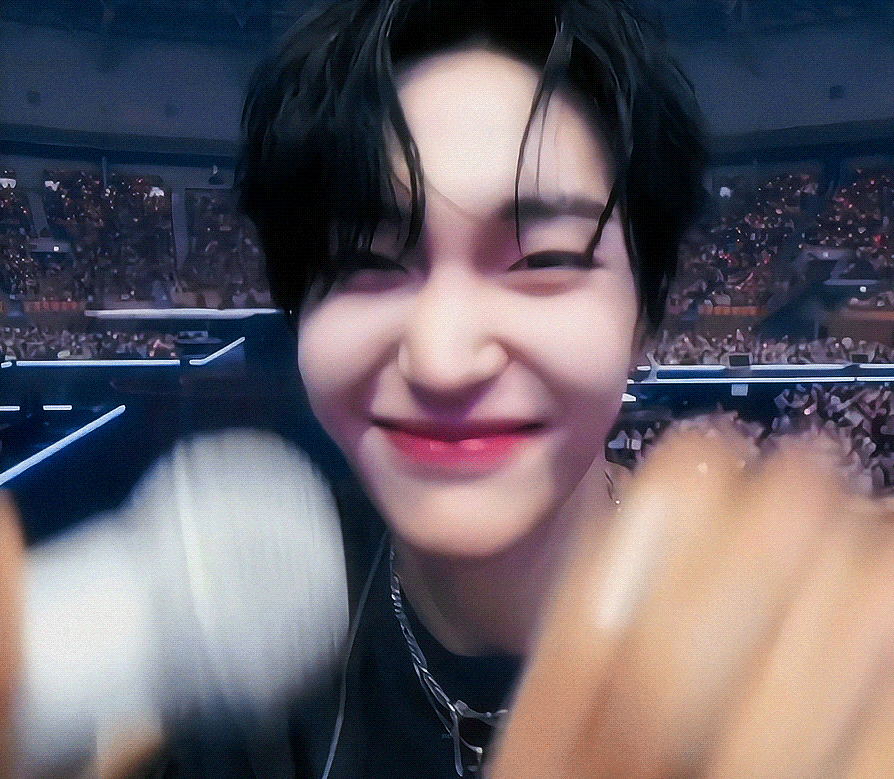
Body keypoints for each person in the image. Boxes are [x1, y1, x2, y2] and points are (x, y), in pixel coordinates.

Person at [4, 0, 894, 778]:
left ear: (646, 311)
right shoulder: (226, 652)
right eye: (363, 261)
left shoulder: (823, 660)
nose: (441, 358)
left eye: (544, 260)